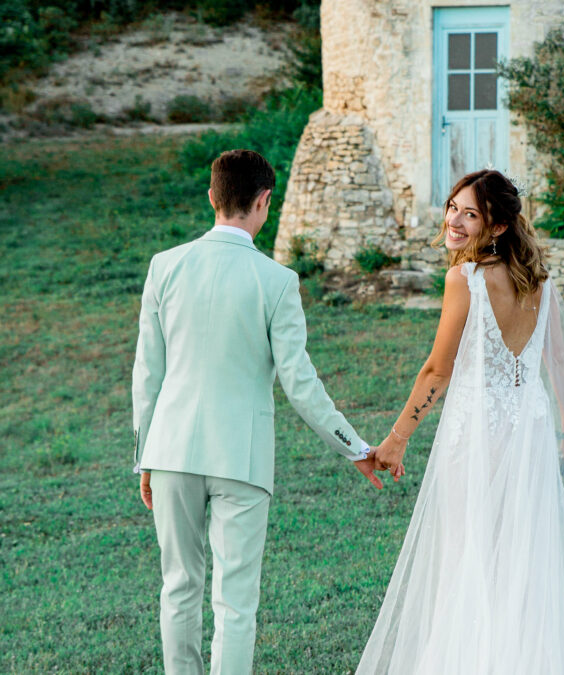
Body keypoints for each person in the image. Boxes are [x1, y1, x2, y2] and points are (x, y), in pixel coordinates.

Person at [360, 170, 564, 674]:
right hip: (531, 430)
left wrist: (396, 440)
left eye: (468, 213)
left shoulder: (466, 280)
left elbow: (437, 369)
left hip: (476, 436)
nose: (453, 219)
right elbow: (557, 362)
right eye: (453, 207)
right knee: (523, 559)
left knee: (469, 558)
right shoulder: (540, 280)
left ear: (496, 227)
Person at [131, 149, 387, 675]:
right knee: (235, 603)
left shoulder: (165, 266)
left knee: (178, 587)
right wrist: (355, 447)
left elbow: (146, 374)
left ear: (213, 197)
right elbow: (300, 383)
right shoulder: (277, 281)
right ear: (265, 202)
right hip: (241, 460)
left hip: (172, 451)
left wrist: (144, 457)